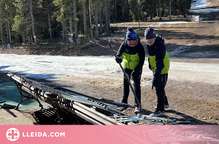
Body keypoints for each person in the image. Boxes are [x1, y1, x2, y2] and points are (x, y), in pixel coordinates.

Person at [115, 27, 145, 113]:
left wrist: (136, 71)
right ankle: (124, 101)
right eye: (130, 41)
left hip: (137, 68)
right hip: (127, 68)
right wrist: (117, 58)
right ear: (127, 40)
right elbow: (118, 54)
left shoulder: (139, 46)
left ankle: (137, 105)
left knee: (136, 86)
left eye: (133, 40)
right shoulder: (124, 45)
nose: (132, 42)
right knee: (126, 84)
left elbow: (142, 60)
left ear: (136, 39)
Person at [144, 26, 170, 117]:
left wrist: (155, 75)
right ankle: (165, 103)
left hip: (162, 68)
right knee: (159, 86)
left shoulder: (160, 46)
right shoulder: (149, 45)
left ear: (155, 37)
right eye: (147, 39)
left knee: (159, 88)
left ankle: (160, 109)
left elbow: (160, 63)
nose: (149, 41)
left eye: (151, 39)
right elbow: (150, 57)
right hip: (156, 68)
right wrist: (150, 66)